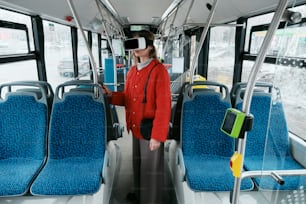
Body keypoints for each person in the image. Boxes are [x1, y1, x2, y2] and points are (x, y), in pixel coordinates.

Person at [103, 30, 171, 204]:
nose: (135, 49)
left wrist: (157, 135)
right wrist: (111, 95)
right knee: (138, 165)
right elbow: (127, 98)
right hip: (135, 127)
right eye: (132, 44)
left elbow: (164, 106)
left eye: (138, 44)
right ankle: (140, 195)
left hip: (150, 130)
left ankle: (151, 200)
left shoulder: (159, 70)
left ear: (149, 47)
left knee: (150, 170)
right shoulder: (132, 71)